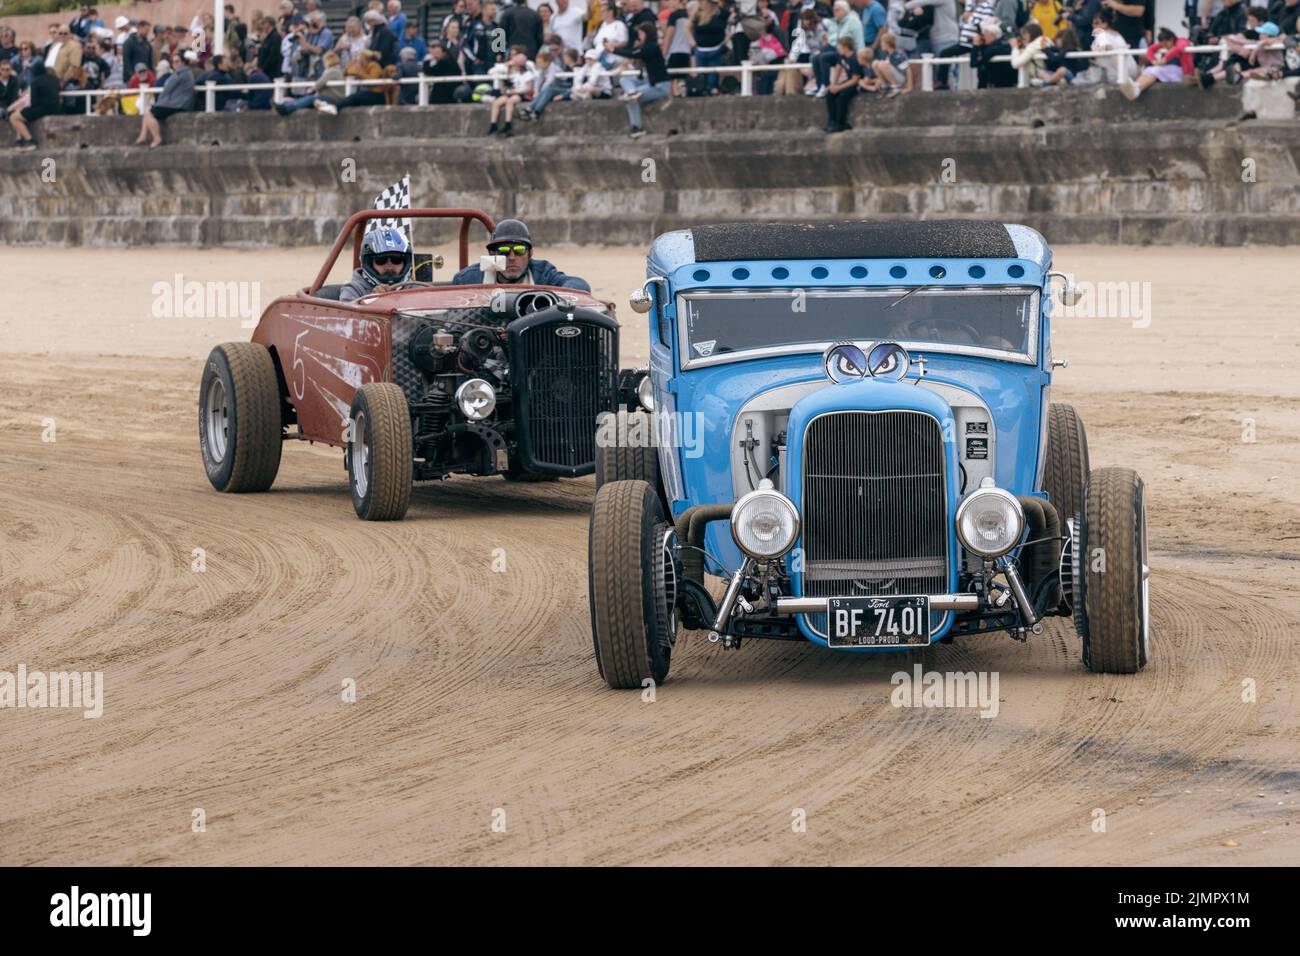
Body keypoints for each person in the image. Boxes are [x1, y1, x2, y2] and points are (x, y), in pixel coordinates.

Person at [451, 219, 591, 290]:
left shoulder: (542, 273)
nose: (512, 257)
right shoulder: (468, 279)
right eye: (503, 251)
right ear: (492, 254)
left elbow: (580, 285)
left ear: (530, 253)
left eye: (519, 250)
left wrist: (554, 297)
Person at [134, 52, 193, 148]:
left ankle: (157, 138)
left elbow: (168, 88)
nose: (175, 64)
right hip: (175, 103)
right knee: (147, 110)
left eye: (177, 61)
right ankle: (142, 136)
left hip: (177, 104)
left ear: (183, 62)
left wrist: (161, 103)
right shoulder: (181, 73)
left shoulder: (182, 74)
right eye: (173, 62)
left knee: (149, 113)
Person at [339, 227, 414, 302]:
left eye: (396, 259)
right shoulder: (353, 290)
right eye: (381, 260)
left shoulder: (417, 288)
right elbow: (346, 310)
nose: (389, 267)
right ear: (369, 263)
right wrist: (372, 300)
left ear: (405, 262)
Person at [1120, 25, 1191, 97]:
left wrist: (1164, 59)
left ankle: (1139, 88)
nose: (1165, 46)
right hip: (1168, 69)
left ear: (1171, 39)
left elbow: (1178, 49)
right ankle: (1135, 86)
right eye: (1162, 44)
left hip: (1180, 70)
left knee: (1156, 70)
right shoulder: (1165, 44)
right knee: (1148, 70)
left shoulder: (1181, 41)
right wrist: (1154, 61)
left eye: (1166, 44)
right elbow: (1150, 50)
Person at [9, 60, 60, 147]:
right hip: (56, 107)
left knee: (14, 117)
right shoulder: (54, 79)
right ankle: (19, 140)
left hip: (43, 109)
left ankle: (30, 140)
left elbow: (34, 102)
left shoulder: (35, 82)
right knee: (21, 112)